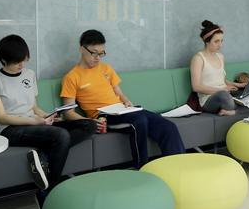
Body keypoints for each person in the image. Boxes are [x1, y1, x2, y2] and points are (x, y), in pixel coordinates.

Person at [0, 35, 97, 209]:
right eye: (16, 62)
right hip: (11, 129)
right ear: (4, 60)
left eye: (24, 60)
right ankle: (48, 192)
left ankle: (44, 156)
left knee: (89, 125)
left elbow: (34, 107)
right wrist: (34, 122)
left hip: (34, 123)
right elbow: (1, 116)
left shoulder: (29, 74)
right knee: (61, 135)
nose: (21, 65)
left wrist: (47, 116)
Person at [60, 29, 184, 169]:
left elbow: (118, 92)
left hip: (123, 110)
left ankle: (178, 169)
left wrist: (126, 101)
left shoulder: (106, 68)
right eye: (94, 53)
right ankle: (142, 167)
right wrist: (89, 122)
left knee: (168, 126)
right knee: (140, 121)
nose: (97, 58)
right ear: (82, 49)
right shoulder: (72, 77)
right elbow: (68, 112)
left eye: (101, 53)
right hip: (103, 116)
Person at [189, 20, 249, 116]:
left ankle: (234, 111)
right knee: (224, 96)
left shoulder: (220, 56)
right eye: (216, 41)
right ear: (207, 41)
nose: (220, 45)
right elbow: (196, 87)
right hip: (209, 99)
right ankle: (247, 109)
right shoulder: (198, 59)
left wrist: (239, 85)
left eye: (221, 41)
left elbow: (222, 80)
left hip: (225, 93)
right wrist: (222, 90)